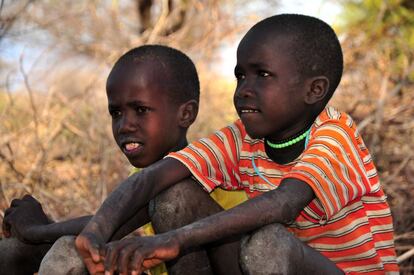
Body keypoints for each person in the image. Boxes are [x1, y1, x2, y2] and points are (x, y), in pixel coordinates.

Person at [76, 14, 400, 275]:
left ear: (314, 91)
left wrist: (175, 239)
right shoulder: (241, 138)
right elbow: (157, 175)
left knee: (267, 243)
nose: (244, 88)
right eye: (240, 75)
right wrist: (96, 231)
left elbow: (284, 202)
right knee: (173, 196)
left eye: (262, 75)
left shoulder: (335, 135)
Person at [2, 44, 237, 275]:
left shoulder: (202, 165)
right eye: (116, 113)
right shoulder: (142, 175)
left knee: (65, 248)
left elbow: (112, 223)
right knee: (14, 252)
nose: (125, 125)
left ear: (186, 114)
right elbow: (109, 224)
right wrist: (44, 229)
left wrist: (38, 229)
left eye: (141, 110)